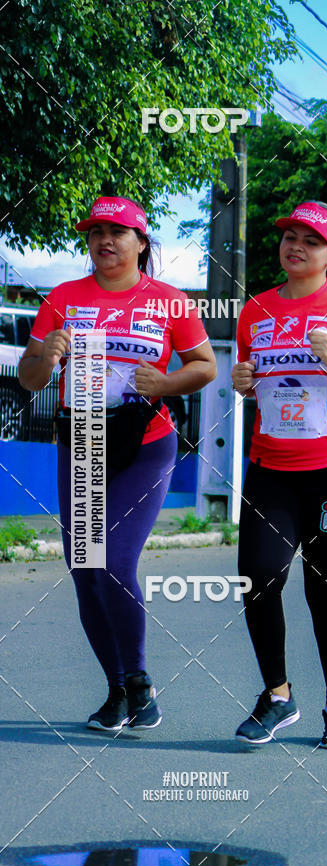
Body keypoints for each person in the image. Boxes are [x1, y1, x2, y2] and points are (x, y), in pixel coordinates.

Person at [18, 196, 217, 729]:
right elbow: (30, 379)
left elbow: (205, 366)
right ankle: (117, 690)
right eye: (96, 232)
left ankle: (140, 683)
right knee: (85, 569)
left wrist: (167, 381)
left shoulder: (170, 301)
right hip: (82, 440)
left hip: (144, 442)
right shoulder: (64, 297)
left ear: (141, 242)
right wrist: (46, 355)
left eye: (117, 231)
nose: (104, 240)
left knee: (114, 561)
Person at [231, 200, 327, 749]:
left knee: (326, 592)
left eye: (311, 240)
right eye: (290, 236)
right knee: (258, 577)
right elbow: (257, 382)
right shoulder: (256, 310)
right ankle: (278, 696)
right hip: (271, 470)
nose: (295, 246)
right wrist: (244, 381)